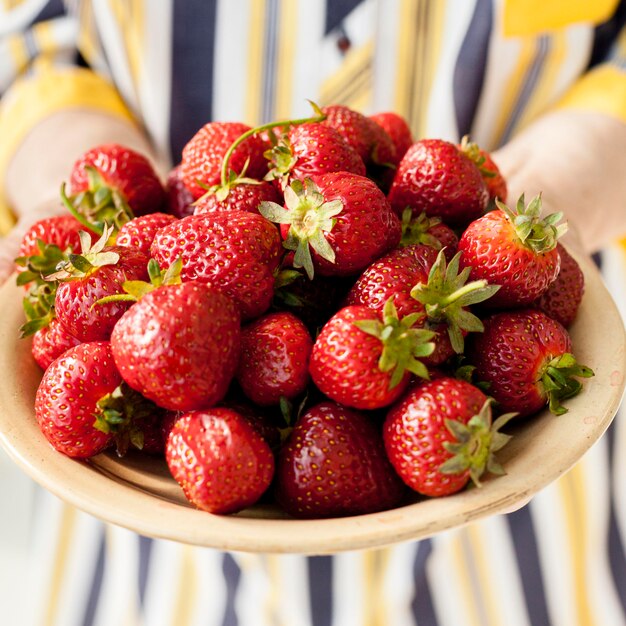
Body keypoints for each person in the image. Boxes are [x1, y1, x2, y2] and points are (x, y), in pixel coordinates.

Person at [0, 1, 625, 624]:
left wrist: (564, 180)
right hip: (151, 550)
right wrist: (72, 174)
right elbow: (30, 39)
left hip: (512, 519)